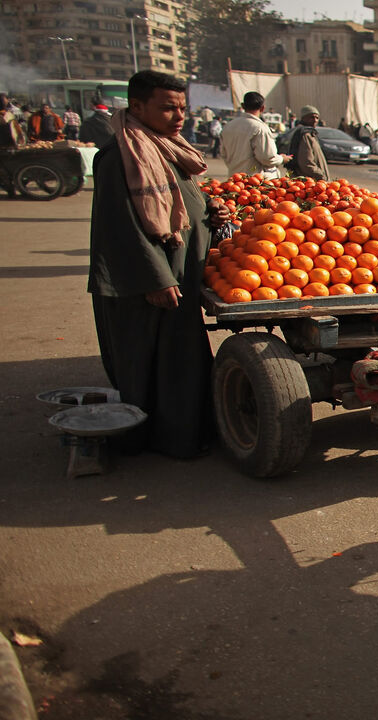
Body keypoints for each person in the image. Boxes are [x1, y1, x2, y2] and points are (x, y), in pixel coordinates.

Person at [87, 70, 233, 459]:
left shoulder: (167, 147)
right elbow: (119, 227)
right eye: (167, 108)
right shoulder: (120, 156)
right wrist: (156, 278)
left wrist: (210, 214)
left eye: (182, 108)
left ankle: (190, 433)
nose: (178, 116)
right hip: (148, 283)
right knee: (152, 364)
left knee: (181, 360)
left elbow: (183, 204)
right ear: (137, 106)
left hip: (180, 274)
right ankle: (156, 440)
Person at [220, 91, 289, 178]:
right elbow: (267, 158)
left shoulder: (228, 126)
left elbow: (223, 153)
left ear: (242, 106)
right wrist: (282, 159)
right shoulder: (260, 128)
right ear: (263, 108)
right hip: (254, 181)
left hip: (234, 180)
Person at [286, 105, 330, 181]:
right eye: (312, 117)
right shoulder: (305, 135)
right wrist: (321, 175)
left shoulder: (311, 134)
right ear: (303, 118)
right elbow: (306, 163)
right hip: (309, 183)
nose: (315, 120)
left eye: (317, 118)